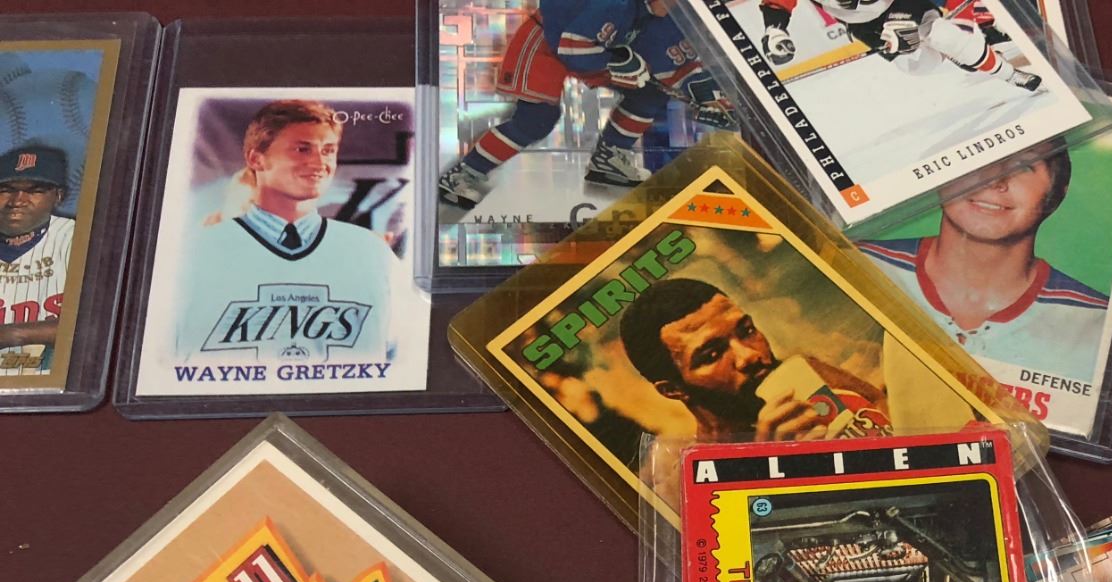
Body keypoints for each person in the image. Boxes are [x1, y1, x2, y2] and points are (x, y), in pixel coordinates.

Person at [174, 101, 415, 366]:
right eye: (302, 149)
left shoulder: (371, 254)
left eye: (328, 150)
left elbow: (404, 359)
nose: (320, 162)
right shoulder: (193, 255)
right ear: (256, 159)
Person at [436, 0, 727, 207]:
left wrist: (712, 100)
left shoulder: (670, 16)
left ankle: (609, 160)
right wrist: (618, 62)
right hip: (548, 43)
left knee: (650, 93)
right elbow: (572, 46)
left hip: (595, 49)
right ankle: (462, 175)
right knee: (536, 120)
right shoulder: (615, 4)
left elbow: (676, 67)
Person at [859, 145, 1108, 378]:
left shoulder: (1100, 326)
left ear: (1057, 192)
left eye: (1023, 166)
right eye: (977, 155)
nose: (994, 180)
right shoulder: (858, 266)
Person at [617, 276, 889, 441]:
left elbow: (879, 402)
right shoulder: (710, 468)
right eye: (712, 355)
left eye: (746, 331)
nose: (749, 355)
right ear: (673, 389)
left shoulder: (803, 372)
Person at [757, 0, 1041, 92]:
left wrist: (904, 18)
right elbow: (777, 3)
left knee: (944, 36)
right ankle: (958, 49)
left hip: (901, 3)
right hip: (864, 25)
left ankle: (1011, 75)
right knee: (917, 66)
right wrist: (775, 30)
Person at [0, 145, 73, 374]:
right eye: (6, 189)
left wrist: (13, 334)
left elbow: (96, 327)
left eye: (35, 190)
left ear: (58, 196)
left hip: (49, 388)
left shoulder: (78, 238)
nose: (17, 200)